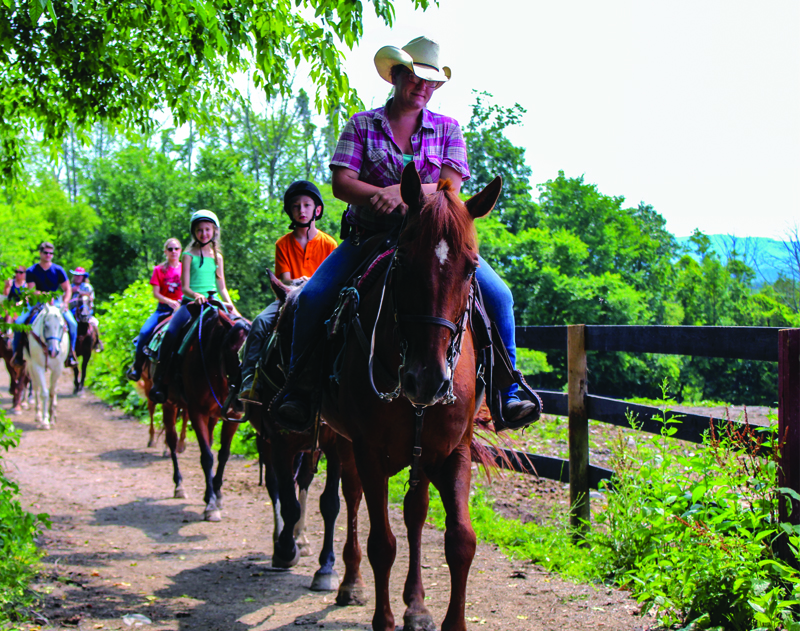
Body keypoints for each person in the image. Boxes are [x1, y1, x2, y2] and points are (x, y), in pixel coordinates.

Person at [276, 36, 537, 429]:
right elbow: (342, 183)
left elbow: (451, 186)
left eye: (431, 83)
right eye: (415, 78)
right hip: (368, 239)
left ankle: (507, 390)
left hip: (433, 243)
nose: (423, 88)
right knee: (311, 297)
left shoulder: (449, 129)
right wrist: (378, 194)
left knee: (499, 294)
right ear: (395, 76)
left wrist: (404, 192)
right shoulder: (362, 124)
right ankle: (300, 390)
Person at [239, 181, 337, 400]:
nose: (301, 210)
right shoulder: (282, 244)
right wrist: (301, 282)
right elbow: (285, 282)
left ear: (317, 210)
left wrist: (307, 281)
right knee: (260, 322)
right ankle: (248, 378)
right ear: (289, 211)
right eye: (295, 206)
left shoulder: (329, 244)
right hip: (288, 299)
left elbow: (333, 282)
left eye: (306, 205)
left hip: (320, 302)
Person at [148, 210, 239, 403]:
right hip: (191, 305)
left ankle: (239, 385)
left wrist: (231, 305)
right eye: (199, 230)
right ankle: (160, 381)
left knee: (239, 332)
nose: (204, 233)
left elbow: (221, 286)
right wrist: (196, 295)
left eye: (207, 229)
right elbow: (185, 286)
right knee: (171, 333)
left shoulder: (218, 257)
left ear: (214, 231)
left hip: (215, 304)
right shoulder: (188, 255)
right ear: (194, 232)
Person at [11, 242, 79, 367]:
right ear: (40, 253)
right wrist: (45, 296)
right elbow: (31, 290)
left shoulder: (58, 270)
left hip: (56, 302)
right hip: (36, 302)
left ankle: (71, 354)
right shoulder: (32, 270)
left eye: (51, 253)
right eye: (46, 253)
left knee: (73, 323)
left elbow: (67, 289)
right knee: (19, 322)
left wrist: (65, 302)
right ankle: (17, 354)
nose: (48, 255)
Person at [128, 238, 184, 381]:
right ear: (165, 252)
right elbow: (156, 293)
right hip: (162, 309)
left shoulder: (185, 269)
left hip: (181, 310)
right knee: (144, 332)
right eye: (170, 249)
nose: (173, 252)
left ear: (181, 251)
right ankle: (137, 367)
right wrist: (170, 301)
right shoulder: (159, 270)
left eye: (176, 248)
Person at [0, 265, 28, 358]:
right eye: (16, 272)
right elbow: (6, 295)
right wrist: (7, 286)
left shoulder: (26, 285)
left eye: (21, 272)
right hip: (9, 308)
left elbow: (27, 297)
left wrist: (19, 303)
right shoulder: (11, 283)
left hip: (21, 308)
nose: (18, 274)